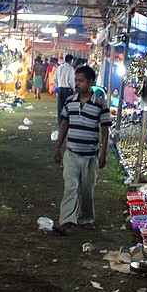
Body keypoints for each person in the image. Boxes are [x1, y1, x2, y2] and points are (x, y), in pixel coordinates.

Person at [52, 65, 111, 235]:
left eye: (81, 80)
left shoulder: (100, 104)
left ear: (90, 82)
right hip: (71, 153)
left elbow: (105, 131)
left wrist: (104, 154)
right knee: (70, 187)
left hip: (90, 156)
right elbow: (64, 125)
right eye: (76, 80)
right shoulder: (70, 101)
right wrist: (58, 147)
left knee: (87, 190)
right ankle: (67, 221)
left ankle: (87, 218)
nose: (77, 84)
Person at [53, 54, 75, 123]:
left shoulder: (59, 68)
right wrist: (74, 89)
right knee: (68, 107)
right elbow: (71, 80)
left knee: (60, 107)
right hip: (68, 90)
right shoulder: (70, 68)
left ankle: (60, 122)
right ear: (71, 61)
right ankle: (67, 122)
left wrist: (57, 87)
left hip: (60, 89)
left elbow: (54, 79)